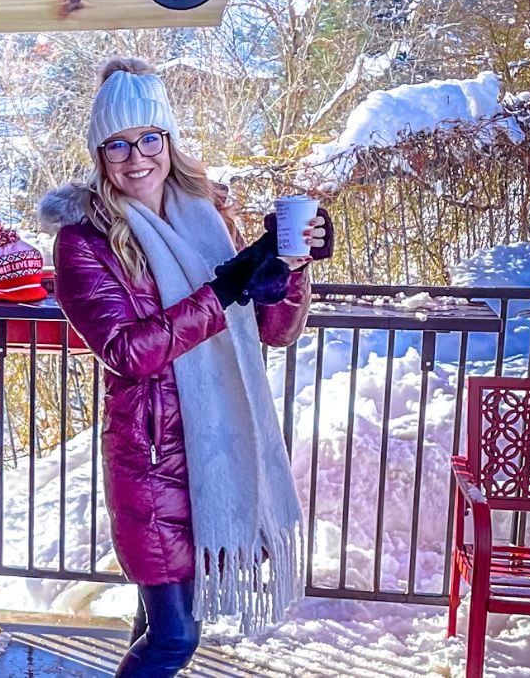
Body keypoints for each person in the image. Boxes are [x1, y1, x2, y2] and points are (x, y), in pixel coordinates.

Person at [39, 59, 331, 677]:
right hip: (152, 461)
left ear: (168, 141)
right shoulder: (83, 241)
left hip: (216, 452)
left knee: (155, 627)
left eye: (149, 137)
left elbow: (271, 334)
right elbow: (125, 351)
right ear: (99, 153)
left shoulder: (205, 217)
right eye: (117, 143)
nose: (135, 156)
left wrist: (293, 268)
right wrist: (224, 290)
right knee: (174, 638)